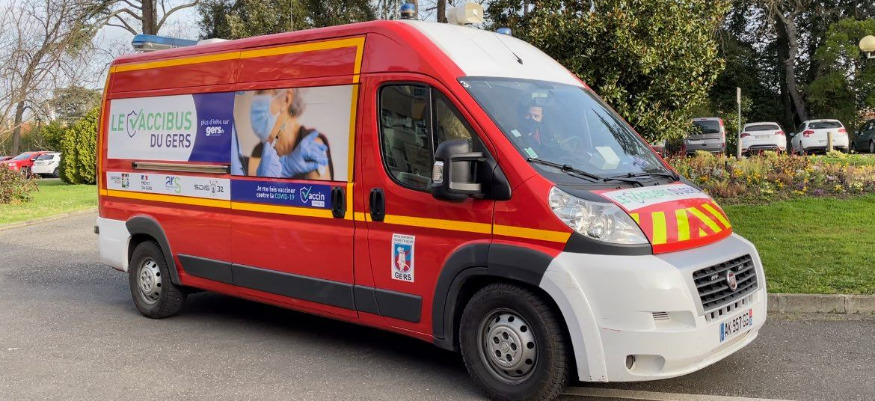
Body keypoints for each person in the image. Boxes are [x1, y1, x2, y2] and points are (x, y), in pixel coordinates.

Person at [247, 89, 334, 180]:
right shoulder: (259, 150)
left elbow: (319, 190)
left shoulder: (312, 147)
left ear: (286, 99)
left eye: (261, 91)